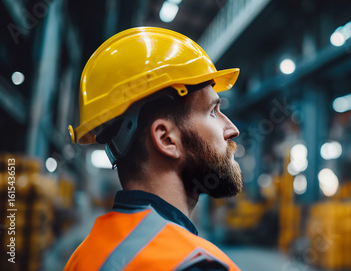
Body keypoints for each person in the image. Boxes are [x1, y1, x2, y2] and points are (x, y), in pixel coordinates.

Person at [65, 27, 243, 270]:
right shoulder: (196, 263)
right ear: (166, 139)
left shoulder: (84, 256)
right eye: (213, 111)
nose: (232, 129)